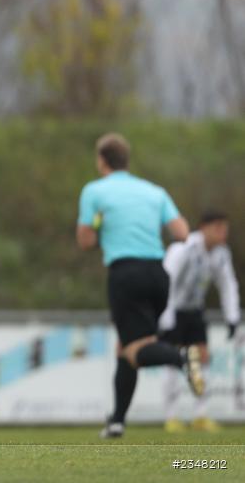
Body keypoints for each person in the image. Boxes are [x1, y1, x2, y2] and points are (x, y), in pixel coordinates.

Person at [76, 133, 204, 439]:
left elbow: (85, 241)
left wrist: (99, 222)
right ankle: (117, 421)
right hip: (159, 276)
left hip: (126, 274)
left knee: (135, 350)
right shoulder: (153, 191)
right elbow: (184, 233)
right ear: (126, 161)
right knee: (126, 347)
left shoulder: (95, 191)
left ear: (101, 161)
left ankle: (181, 358)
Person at [160, 210, 240, 433]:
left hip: (195, 312)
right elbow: (167, 280)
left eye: (225, 228)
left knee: (203, 359)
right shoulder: (184, 247)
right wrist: (165, 316)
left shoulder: (222, 253)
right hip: (173, 310)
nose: (223, 233)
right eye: (218, 228)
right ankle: (171, 416)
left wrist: (232, 316)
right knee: (174, 360)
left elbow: (227, 284)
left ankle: (200, 414)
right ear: (203, 228)